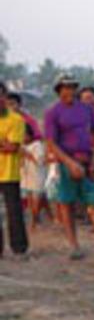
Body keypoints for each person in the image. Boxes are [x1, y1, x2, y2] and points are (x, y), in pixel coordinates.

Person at [43, 75, 94, 259]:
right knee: (67, 204)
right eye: (65, 88)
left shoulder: (86, 109)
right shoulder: (53, 113)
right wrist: (69, 163)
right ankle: (74, 245)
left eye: (72, 87)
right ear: (59, 90)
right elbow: (51, 143)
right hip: (66, 161)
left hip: (87, 159)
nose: (69, 91)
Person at [0, 81, 29, 259]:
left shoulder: (16, 119)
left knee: (14, 212)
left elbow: (12, 147)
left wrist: (7, 144)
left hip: (9, 171)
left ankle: (19, 248)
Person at [20, 124, 52, 229]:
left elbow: (40, 161)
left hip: (37, 176)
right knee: (30, 201)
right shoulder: (22, 146)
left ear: (29, 135)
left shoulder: (37, 145)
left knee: (37, 200)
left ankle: (36, 220)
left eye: (23, 135)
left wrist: (27, 154)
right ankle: (38, 219)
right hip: (26, 177)